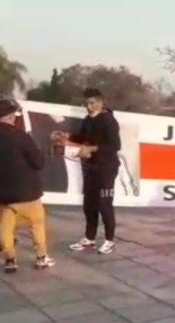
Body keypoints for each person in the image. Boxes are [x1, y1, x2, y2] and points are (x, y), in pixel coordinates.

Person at [0, 99, 55, 273]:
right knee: (37, 223)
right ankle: (41, 257)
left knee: (6, 225)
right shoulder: (20, 136)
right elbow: (38, 162)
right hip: (26, 191)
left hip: (0, 191)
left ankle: (10, 260)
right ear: (11, 116)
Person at [51, 88, 121, 254]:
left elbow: (114, 146)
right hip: (91, 167)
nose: (89, 107)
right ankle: (89, 238)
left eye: (92, 103)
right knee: (89, 204)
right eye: (87, 103)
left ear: (101, 102)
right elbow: (82, 137)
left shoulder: (108, 120)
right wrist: (66, 136)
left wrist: (91, 149)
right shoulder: (88, 120)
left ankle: (109, 240)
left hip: (106, 167)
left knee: (105, 204)